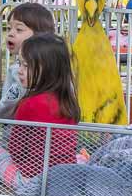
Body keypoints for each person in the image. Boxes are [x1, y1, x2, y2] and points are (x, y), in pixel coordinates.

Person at [7, 33, 80, 176]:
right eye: (19, 63)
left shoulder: (29, 104)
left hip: (33, 179)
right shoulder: (67, 101)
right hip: (67, 176)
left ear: (48, 70)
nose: (20, 71)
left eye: (26, 66)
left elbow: (15, 151)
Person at [0, 2, 58, 123]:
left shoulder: (25, 71)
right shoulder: (55, 65)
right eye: (9, 28)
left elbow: (9, 103)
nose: (11, 33)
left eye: (19, 29)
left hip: (21, 135)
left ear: (40, 36)